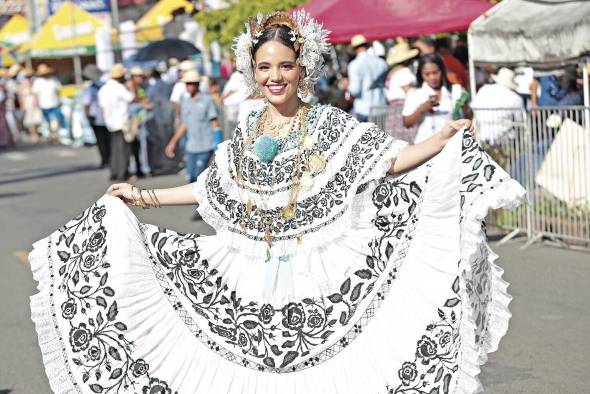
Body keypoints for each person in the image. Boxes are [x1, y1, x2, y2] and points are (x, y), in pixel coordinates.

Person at [28, 11, 525, 394]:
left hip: (319, 272)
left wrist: (438, 142)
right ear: (252, 71)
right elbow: (213, 187)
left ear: (301, 69)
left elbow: (387, 160)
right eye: (265, 67)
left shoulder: (329, 123)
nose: (275, 76)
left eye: (284, 66)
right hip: (251, 272)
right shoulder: (250, 128)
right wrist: (143, 196)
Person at [403, 53, 472, 144]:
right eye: (427, 74)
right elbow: (407, 123)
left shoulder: (456, 90)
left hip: (452, 144)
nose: (432, 77)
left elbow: (469, 117)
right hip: (425, 145)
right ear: (421, 74)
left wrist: (464, 107)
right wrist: (422, 109)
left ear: (442, 70)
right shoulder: (415, 93)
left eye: (435, 72)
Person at [164, 70, 219, 183]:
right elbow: (185, 124)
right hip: (191, 147)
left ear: (197, 84)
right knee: (191, 177)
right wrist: (172, 142)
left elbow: (214, 123)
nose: (188, 86)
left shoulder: (207, 100)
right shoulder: (185, 100)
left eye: (191, 83)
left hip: (206, 145)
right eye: (187, 84)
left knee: (200, 177)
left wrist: (219, 145)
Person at [98, 64, 135, 181]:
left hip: (110, 123)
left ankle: (114, 171)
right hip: (121, 121)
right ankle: (122, 172)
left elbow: (102, 108)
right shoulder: (119, 88)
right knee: (123, 149)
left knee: (114, 149)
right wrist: (131, 87)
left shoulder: (103, 89)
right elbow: (131, 98)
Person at [472, 67, 524, 144]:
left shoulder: (484, 89)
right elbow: (519, 120)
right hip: (504, 138)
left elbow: (473, 108)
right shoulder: (516, 98)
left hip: (480, 135)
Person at [145, 68, 179, 175]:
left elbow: (149, 100)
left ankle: (164, 161)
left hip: (158, 116)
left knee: (161, 140)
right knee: (170, 138)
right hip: (169, 115)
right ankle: (172, 160)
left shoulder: (152, 88)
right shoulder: (167, 85)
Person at [347, 34, 388, 121]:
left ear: (354, 49)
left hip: (364, 109)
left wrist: (348, 89)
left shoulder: (354, 65)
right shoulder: (381, 62)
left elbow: (355, 90)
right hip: (380, 106)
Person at [384, 39, 419, 141]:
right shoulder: (404, 72)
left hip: (392, 109)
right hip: (402, 109)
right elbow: (409, 91)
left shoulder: (392, 72)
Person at [82, 64, 110, 168]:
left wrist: (86, 115)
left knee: (101, 140)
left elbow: (86, 104)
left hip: (96, 117)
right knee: (108, 139)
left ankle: (105, 159)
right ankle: (109, 158)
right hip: (106, 116)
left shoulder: (90, 88)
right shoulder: (104, 85)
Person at [32, 63, 65, 144]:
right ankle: (51, 136)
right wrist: (37, 104)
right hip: (44, 104)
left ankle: (56, 135)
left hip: (55, 103)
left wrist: (60, 100)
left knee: (57, 119)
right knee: (48, 121)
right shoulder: (38, 82)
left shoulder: (54, 80)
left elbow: (58, 91)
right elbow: (35, 94)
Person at [221, 68, 249, 138]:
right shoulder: (243, 76)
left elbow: (229, 91)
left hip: (233, 106)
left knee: (231, 130)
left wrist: (222, 98)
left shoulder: (237, 76)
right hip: (238, 105)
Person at [17, 68, 42, 144]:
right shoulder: (22, 85)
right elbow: (20, 97)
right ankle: (34, 136)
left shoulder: (34, 83)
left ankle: (36, 135)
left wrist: (37, 103)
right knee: (30, 122)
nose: (29, 78)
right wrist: (22, 106)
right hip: (27, 105)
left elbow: (36, 94)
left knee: (36, 121)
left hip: (34, 105)